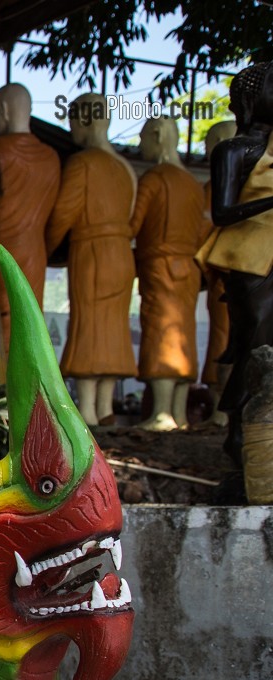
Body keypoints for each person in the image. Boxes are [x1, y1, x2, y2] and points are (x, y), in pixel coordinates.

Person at [45, 92, 138, 426]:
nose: (71, 130)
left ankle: (86, 409)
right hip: (122, 256)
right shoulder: (125, 168)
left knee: (89, 324)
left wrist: (46, 250)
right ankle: (105, 406)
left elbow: (62, 215)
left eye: (72, 121)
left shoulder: (83, 163)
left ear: (84, 120)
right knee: (113, 327)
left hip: (92, 252)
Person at [197, 63, 273, 466]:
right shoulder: (233, 149)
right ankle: (238, 443)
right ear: (253, 97)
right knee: (253, 348)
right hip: (249, 266)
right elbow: (223, 212)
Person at [131, 117, 210, 431]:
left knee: (160, 333)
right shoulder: (193, 184)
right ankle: (179, 412)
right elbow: (204, 227)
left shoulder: (154, 179)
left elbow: (132, 225)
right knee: (183, 335)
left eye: (143, 139)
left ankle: (162, 413)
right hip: (188, 268)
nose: (140, 146)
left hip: (160, 264)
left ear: (156, 137)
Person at [0, 83, 61, 349]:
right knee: (29, 318)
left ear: (3, 110)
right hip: (36, 251)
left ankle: (2, 382)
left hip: (0, 247)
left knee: (2, 316)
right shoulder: (51, 158)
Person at [202, 121, 238, 426]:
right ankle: (223, 411)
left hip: (231, 270)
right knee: (225, 338)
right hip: (233, 273)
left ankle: (224, 411)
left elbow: (204, 228)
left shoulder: (217, 185)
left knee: (225, 338)